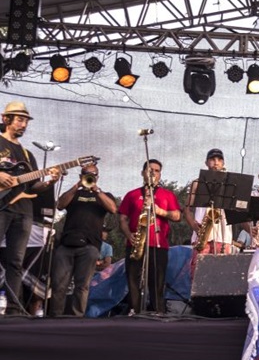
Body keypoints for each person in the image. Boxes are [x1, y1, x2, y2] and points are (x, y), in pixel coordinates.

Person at [0, 101, 60, 315]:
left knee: (15, 260)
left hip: (23, 210)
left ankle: (14, 307)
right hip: (2, 206)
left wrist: (50, 181)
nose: (23, 125)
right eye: (19, 119)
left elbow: (34, 185)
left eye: (25, 121)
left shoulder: (27, 154)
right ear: (5, 119)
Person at [48, 164, 117, 317]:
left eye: (93, 174)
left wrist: (96, 190)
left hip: (90, 246)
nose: (89, 176)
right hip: (67, 244)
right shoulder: (74, 194)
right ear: (80, 176)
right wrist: (76, 187)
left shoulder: (104, 195)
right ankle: (55, 318)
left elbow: (113, 209)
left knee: (82, 286)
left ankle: (77, 318)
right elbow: (60, 204)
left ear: (98, 177)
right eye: (86, 174)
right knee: (59, 284)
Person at [119, 159, 181, 314]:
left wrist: (160, 212)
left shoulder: (167, 195)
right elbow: (122, 219)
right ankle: (135, 310)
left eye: (157, 170)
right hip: (136, 243)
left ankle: (158, 312)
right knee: (133, 280)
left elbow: (177, 215)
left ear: (160, 174)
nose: (153, 172)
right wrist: (129, 234)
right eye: (149, 169)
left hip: (158, 244)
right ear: (142, 173)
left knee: (157, 281)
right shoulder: (132, 194)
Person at [184, 148, 233, 255]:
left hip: (223, 236)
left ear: (223, 163)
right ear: (206, 163)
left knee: (222, 270)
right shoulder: (197, 183)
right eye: (212, 159)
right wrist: (193, 225)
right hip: (202, 234)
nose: (216, 162)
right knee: (198, 268)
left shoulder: (230, 184)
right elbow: (187, 209)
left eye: (219, 159)